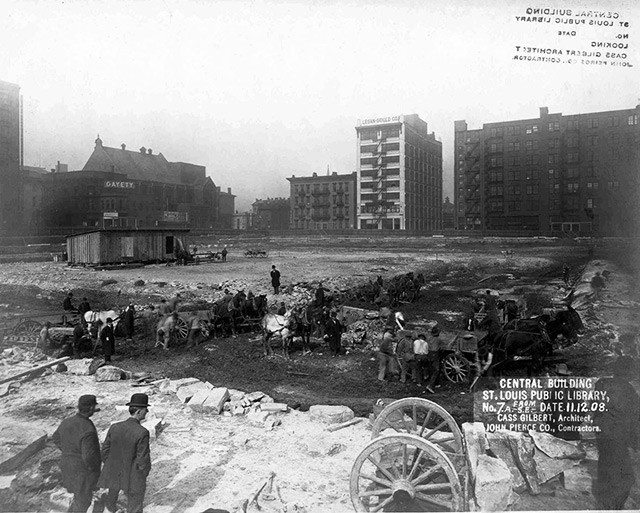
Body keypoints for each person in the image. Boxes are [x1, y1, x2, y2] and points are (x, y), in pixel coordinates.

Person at [593, 356, 640, 510]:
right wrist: (635, 442)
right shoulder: (629, 391)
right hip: (618, 438)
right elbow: (634, 419)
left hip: (603, 435)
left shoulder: (601, 384)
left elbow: (596, 409)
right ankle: (613, 507)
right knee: (624, 477)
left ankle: (607, 504)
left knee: (606, 469)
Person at [98, 393, 151, 513]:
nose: (147, 411)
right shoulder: (142, 432)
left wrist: (111, 465)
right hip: (133, 475)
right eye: (145, 409)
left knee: (111, 498)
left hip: (114, 471)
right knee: (135, 504)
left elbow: (105, 450)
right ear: (138, 411)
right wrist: (143, 473)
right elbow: (143, 459)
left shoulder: (115, 427)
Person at [51, 395, 102, 513]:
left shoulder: (67, 422)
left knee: (78, 498)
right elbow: (89, 457)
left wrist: (68, 451)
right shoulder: (88, 428)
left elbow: (55, 438)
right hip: (82, 471)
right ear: (90, 408)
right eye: (94, 406)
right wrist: (95, 472)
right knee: (83, 501)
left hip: (66, 465)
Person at [424, 326, 442, 394]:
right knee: (436, 370)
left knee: (432, 369)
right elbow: (441, 346)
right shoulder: (438, 339)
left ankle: (436, 383)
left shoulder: (429, 339)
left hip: (429, 354)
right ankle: (430, 385)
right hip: (435, 355)